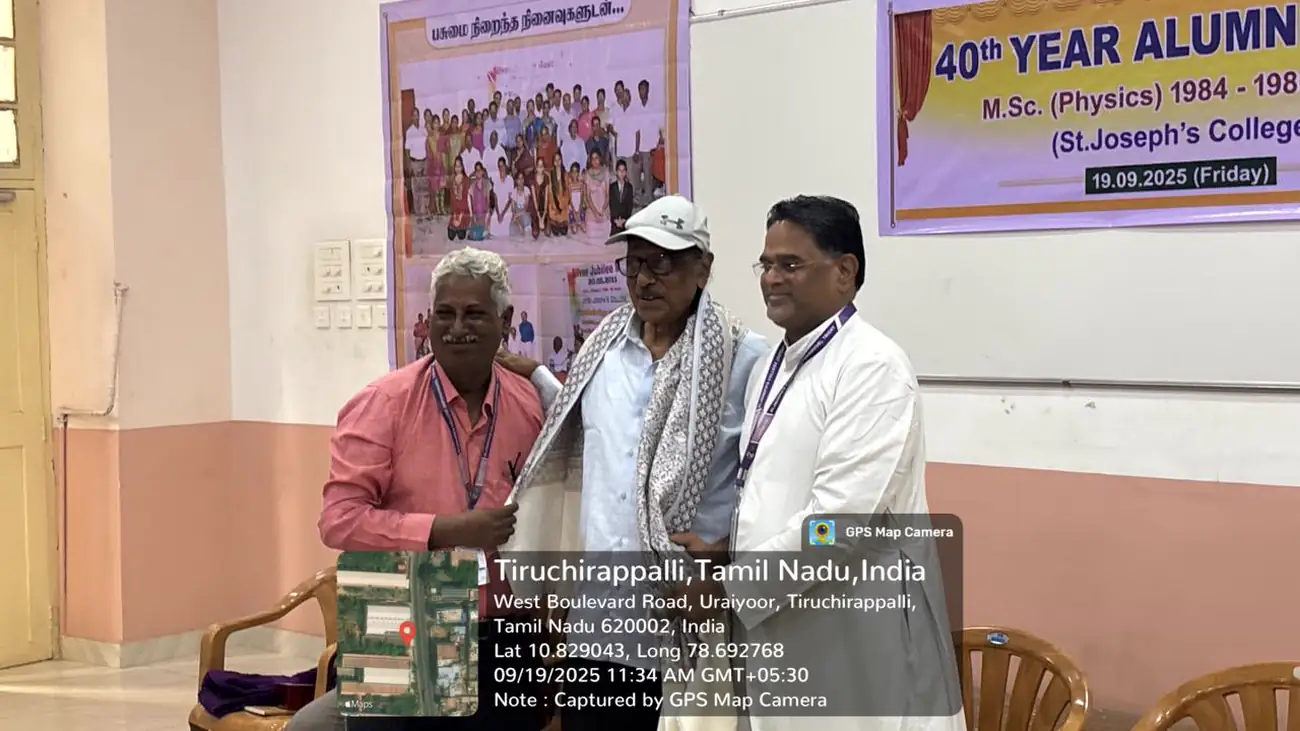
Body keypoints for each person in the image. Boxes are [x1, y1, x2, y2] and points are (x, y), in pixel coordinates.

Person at [673, 196, 965, 731]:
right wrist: (727, 549)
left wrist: (729, 589)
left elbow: (837, 521)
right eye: (766, 264)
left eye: (791, 264)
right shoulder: (772, 364)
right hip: (781, 619)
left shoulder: (872, 367)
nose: (771, 279)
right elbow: (773, 488)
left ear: (844, 271)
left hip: (854, 629)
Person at [495, 196, 767, 731]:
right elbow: (573, 427)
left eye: (662, 262)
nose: (644, 279)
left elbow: (767, 478)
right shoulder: (601, 351)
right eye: (635, 263)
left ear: (703, 268)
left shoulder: (745, 357)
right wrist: (536, 376)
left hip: (689, 618)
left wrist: (729, 552)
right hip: (598, 622)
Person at [288, 247, 548, 731]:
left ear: (506, 320)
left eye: (474, 313)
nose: (456, 328)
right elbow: (339, 520)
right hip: (401, 620)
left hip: (502, 633)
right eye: (444, 314)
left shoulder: (529, 403)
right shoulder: (383, 404)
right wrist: (443, 531)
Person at [609, 159, 634, 235]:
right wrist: (615, 220)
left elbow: (630, 205)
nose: (621, 173)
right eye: (619, 170)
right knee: (614, 236)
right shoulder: (612, 187)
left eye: (623, 170)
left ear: (626, 172)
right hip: (615, 220)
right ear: (616, 172)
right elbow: (611, 204)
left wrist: (624, 219)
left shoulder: (629, 187)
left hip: (625, 219)